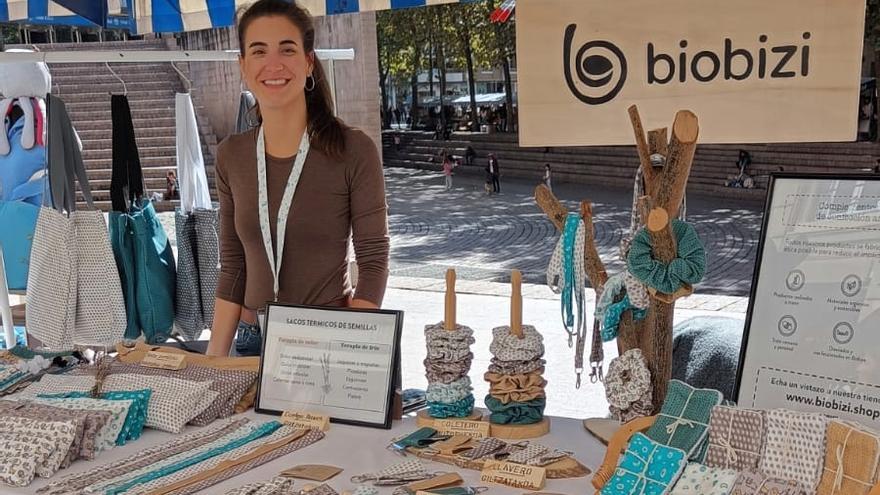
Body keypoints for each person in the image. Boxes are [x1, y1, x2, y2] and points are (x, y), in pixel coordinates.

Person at [206, 0, 390, 357]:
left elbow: (373, 258)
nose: (273, 64)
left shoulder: (353, 149)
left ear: (308, 62)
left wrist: (355, 344)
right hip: (254, 342)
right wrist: (214, 362)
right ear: (243, 66)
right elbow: (233, 266)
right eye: (258, 51)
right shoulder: (232, 155)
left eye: (286, 49)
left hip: (328, 340)